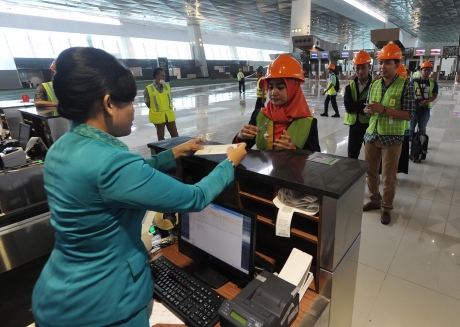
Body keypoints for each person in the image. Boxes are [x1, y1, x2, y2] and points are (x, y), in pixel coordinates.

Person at [31, 47, 247, 327]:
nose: (136, 110)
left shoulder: (62, 149)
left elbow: (120, 180)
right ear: (108, 104)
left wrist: (172, 154)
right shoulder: (110, 162)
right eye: (130, 101)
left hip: (58, 293)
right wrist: (229, 163)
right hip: (105, 305)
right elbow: (194, 197)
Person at [362, 43, 415, 225]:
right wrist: (368, 110)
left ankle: (386, 207)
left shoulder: (405, 85)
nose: (383, 67)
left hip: (392, 138)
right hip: (372, 135)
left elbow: (409, 114)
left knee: (388, 176)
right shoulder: (375, 83)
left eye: (387, 63)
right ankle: (374, 200)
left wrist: (384, 109)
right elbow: (368, 107)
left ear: (397, 65)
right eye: (381, 63)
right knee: (370, 172)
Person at [234, 54, 320, 152]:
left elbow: (315, 158)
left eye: (280, 87)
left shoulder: (307, 123)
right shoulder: (259, 115)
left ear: (293, 88)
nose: (273, 92)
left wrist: (295, 151)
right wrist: (241, 137)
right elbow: (240, 150)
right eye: (270, 87)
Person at [343, 50, 373, 159]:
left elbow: (374, 106)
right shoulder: (349, 87)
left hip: (370, 125)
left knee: (371, 155)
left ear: (369, 67)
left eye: (363, 67)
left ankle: (371, 176)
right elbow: (348, 107)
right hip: (354, 126)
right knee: (352, 154)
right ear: (354, 69)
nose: (360, 71)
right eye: (357, 68)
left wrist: (357, 106)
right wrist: (364, 104)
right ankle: (351, 175)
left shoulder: (375, 85)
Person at [144, 68, 179, 140]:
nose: (164, 77)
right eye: (162, 76)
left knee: (175, 135)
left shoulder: (167, 87)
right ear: (157, 77)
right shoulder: (149, 89)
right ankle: (161, 150)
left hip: (169, 115)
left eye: (164, 76)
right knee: (161, 137)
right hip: (158, 117)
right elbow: (147, 103)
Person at [410, 61, 438, 135]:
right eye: (425, 70)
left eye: (429, 70)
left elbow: (435, 95)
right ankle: (411, 144)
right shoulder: (414, 81)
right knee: (410, 128)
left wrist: (428, 101)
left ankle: (421, 145)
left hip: (425, 110)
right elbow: (408, 94)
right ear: (421, 70)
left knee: (422, 129)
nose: (427, 72)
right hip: (414, 108)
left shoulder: (433, 82)